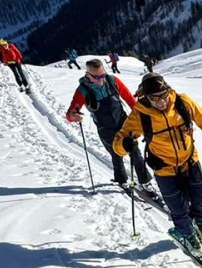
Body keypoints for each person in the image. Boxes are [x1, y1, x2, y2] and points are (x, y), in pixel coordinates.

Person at [112, 73, 202, 258]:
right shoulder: (141, 114)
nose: (161, 102)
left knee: (201, 200)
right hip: (164, 169)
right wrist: (124, 144)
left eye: (163, 95)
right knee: (178, 207)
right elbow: (118, 144)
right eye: (154, 98)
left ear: (168, 90)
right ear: (146, 97)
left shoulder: (182, 103)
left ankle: (201, 224)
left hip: (190, 162)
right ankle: (188, 234)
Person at [65, 59, 157, 197]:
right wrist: (73, 115)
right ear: (87, 75)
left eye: (102, 75)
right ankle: (121, 180)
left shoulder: (113, 81)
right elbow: (70, 113)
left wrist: (143, 116)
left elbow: (130, 100)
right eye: (96, 77)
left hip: (123, 122)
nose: (101, 79)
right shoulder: (82, 90)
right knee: (115, 153)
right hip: (105, 128)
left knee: (135, 151)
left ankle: (145, 182)